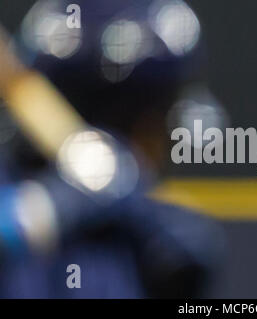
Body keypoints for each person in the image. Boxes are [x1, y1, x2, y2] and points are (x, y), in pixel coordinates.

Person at [0, 0, 225, 298]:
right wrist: (44, 208)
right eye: (160, 112)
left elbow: (191, 252)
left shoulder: (151, 231)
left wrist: (127, 197)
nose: (164, 142)